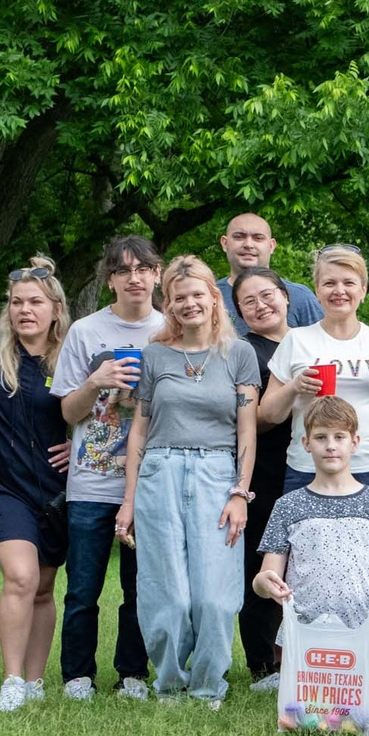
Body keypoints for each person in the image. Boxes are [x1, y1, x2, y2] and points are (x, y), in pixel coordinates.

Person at [119, 256, 263, 708]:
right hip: (159, 472)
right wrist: (128, 501)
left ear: (214, 298)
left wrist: (241, 491)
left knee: (215, 597)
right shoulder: (155, 355)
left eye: (198, 294)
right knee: (169, 593)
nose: (189, 303)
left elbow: (247, 430)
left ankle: (206, 687)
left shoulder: (239, 355)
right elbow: (138, 431)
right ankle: (169, 684)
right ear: (169, 304)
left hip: (217, 474)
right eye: (179, 297)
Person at [253, 397, 369, 717]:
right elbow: (265, 575)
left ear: (355, 442)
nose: (330, 446)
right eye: (321, 437)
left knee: (367, 720)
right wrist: (265, 583)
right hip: (306, 635)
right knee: (306, 720)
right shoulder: (288, 506)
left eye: (339, 437)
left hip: (364, 633)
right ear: (306, 443)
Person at [53, 236, 162, 702]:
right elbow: (67, 413)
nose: (134, 278)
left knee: (140, 587)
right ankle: (78, 675)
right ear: (110, 279)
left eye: (143, 269)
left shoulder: (170, 329)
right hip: (92, 480)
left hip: (152, 481)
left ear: (158, 274)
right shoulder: (84, 331)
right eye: (123, 270)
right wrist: (95, 381)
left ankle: (132, 674)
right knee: (82, 589)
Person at [0, 259, 73, 711]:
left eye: (35, 302)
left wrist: (81, 443)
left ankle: (35, 681)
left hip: (56, 488)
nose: (24, 310)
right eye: (16, 302)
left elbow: (104, 410)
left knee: (45, 587)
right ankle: (11, 680)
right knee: (20, 577)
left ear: (55, 307)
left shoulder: (73, 352)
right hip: (1, 485)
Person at [262, 244, 369, 502]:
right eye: (329, 283)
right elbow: (269, 414)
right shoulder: (296, 340)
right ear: (317, 291)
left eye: (349, 283)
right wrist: (294, 387)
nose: (339, 291)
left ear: (363, 290)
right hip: (307, 470)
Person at [231, 267, 298, 692]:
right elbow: (253, 423)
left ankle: (298, 654)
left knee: (302, 568)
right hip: (263, 473)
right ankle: (262, 664)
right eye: (248, 301)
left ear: (286, 296)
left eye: (268, 294)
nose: (261, 305)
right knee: (260, 567)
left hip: (312, 467)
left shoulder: (311, 341)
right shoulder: (243, 352)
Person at [213, 212, 321, 335]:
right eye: (239, 237)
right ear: (224, 243)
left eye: (258, 238)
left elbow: (323, 345)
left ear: (271, 246)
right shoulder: (208, 297)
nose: (248, 244)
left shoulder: (301, 297)